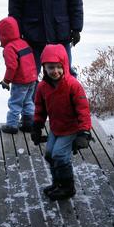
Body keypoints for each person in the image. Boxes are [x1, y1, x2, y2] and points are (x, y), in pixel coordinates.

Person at [30, 44, 92, 201]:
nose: (55, 71)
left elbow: (83, 109)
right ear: (44, 67)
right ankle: (57, 183)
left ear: (65, 65)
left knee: (60, 155)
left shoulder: (73, 85)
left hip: (72, 128)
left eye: (59, 67)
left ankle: (67, 188)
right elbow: (40, 108)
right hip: (56, 128)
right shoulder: (43, 87)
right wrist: (37, 126)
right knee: (50, 155)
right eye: (51, 67)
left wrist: (84, 132)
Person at [0, 16, 37, 134]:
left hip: (21, 81)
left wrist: (6, 81)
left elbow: (12, 67)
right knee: (28, 101)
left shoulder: (9, 48)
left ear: (3, 34)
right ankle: (28, 123)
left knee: (15, 102)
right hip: (32, 78)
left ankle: (12, 125)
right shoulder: (23, 42)